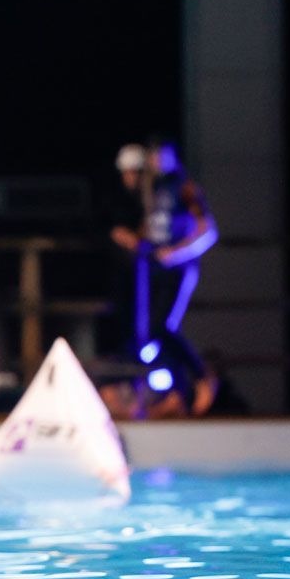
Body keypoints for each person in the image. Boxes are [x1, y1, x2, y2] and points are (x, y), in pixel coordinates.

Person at [109, 140, 217, 395]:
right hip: (153, 268)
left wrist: (178, 253)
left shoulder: (184, 186)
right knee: (145, 334)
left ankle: (202, 377)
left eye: (160, 155)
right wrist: (133, 238)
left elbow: (208, 231)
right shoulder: (152, 189)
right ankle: (173, 391)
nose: (156, 161)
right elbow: (152, 225)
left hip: (178, 268)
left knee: (162, 327)